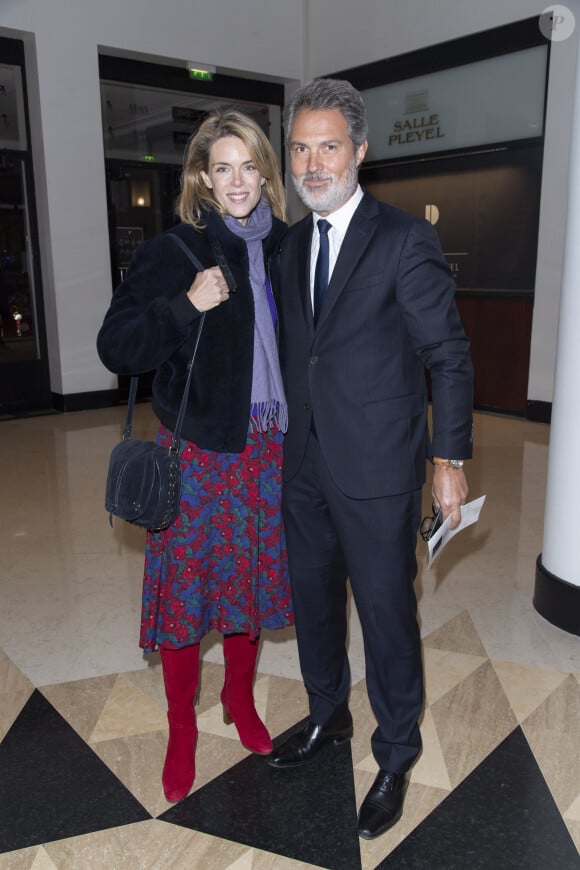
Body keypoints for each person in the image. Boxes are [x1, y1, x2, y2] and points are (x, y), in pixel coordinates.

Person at [269, 79, 474, 840]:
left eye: (329, 146)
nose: (313, 162)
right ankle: (329, 717)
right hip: (303, 467)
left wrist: (450, 456)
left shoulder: (401, 239)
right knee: (315, 607)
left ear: (360, 151)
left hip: (380, 469)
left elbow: (447, 355)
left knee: (387, 615)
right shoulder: (288, 246)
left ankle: (396, 753)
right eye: (300, 147)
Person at [97, 108, 293, 803]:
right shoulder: (174, 253)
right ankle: (182, 725)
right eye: (223, 168)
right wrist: (185, 304)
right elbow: (116, 347)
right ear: (202, 178)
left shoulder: (286, 249)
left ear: (265, 173)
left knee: (247, 593)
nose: (238, 181)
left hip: (269, 452)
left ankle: (239, 702)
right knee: (187, 601)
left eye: (249, 166)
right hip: (202, 457)